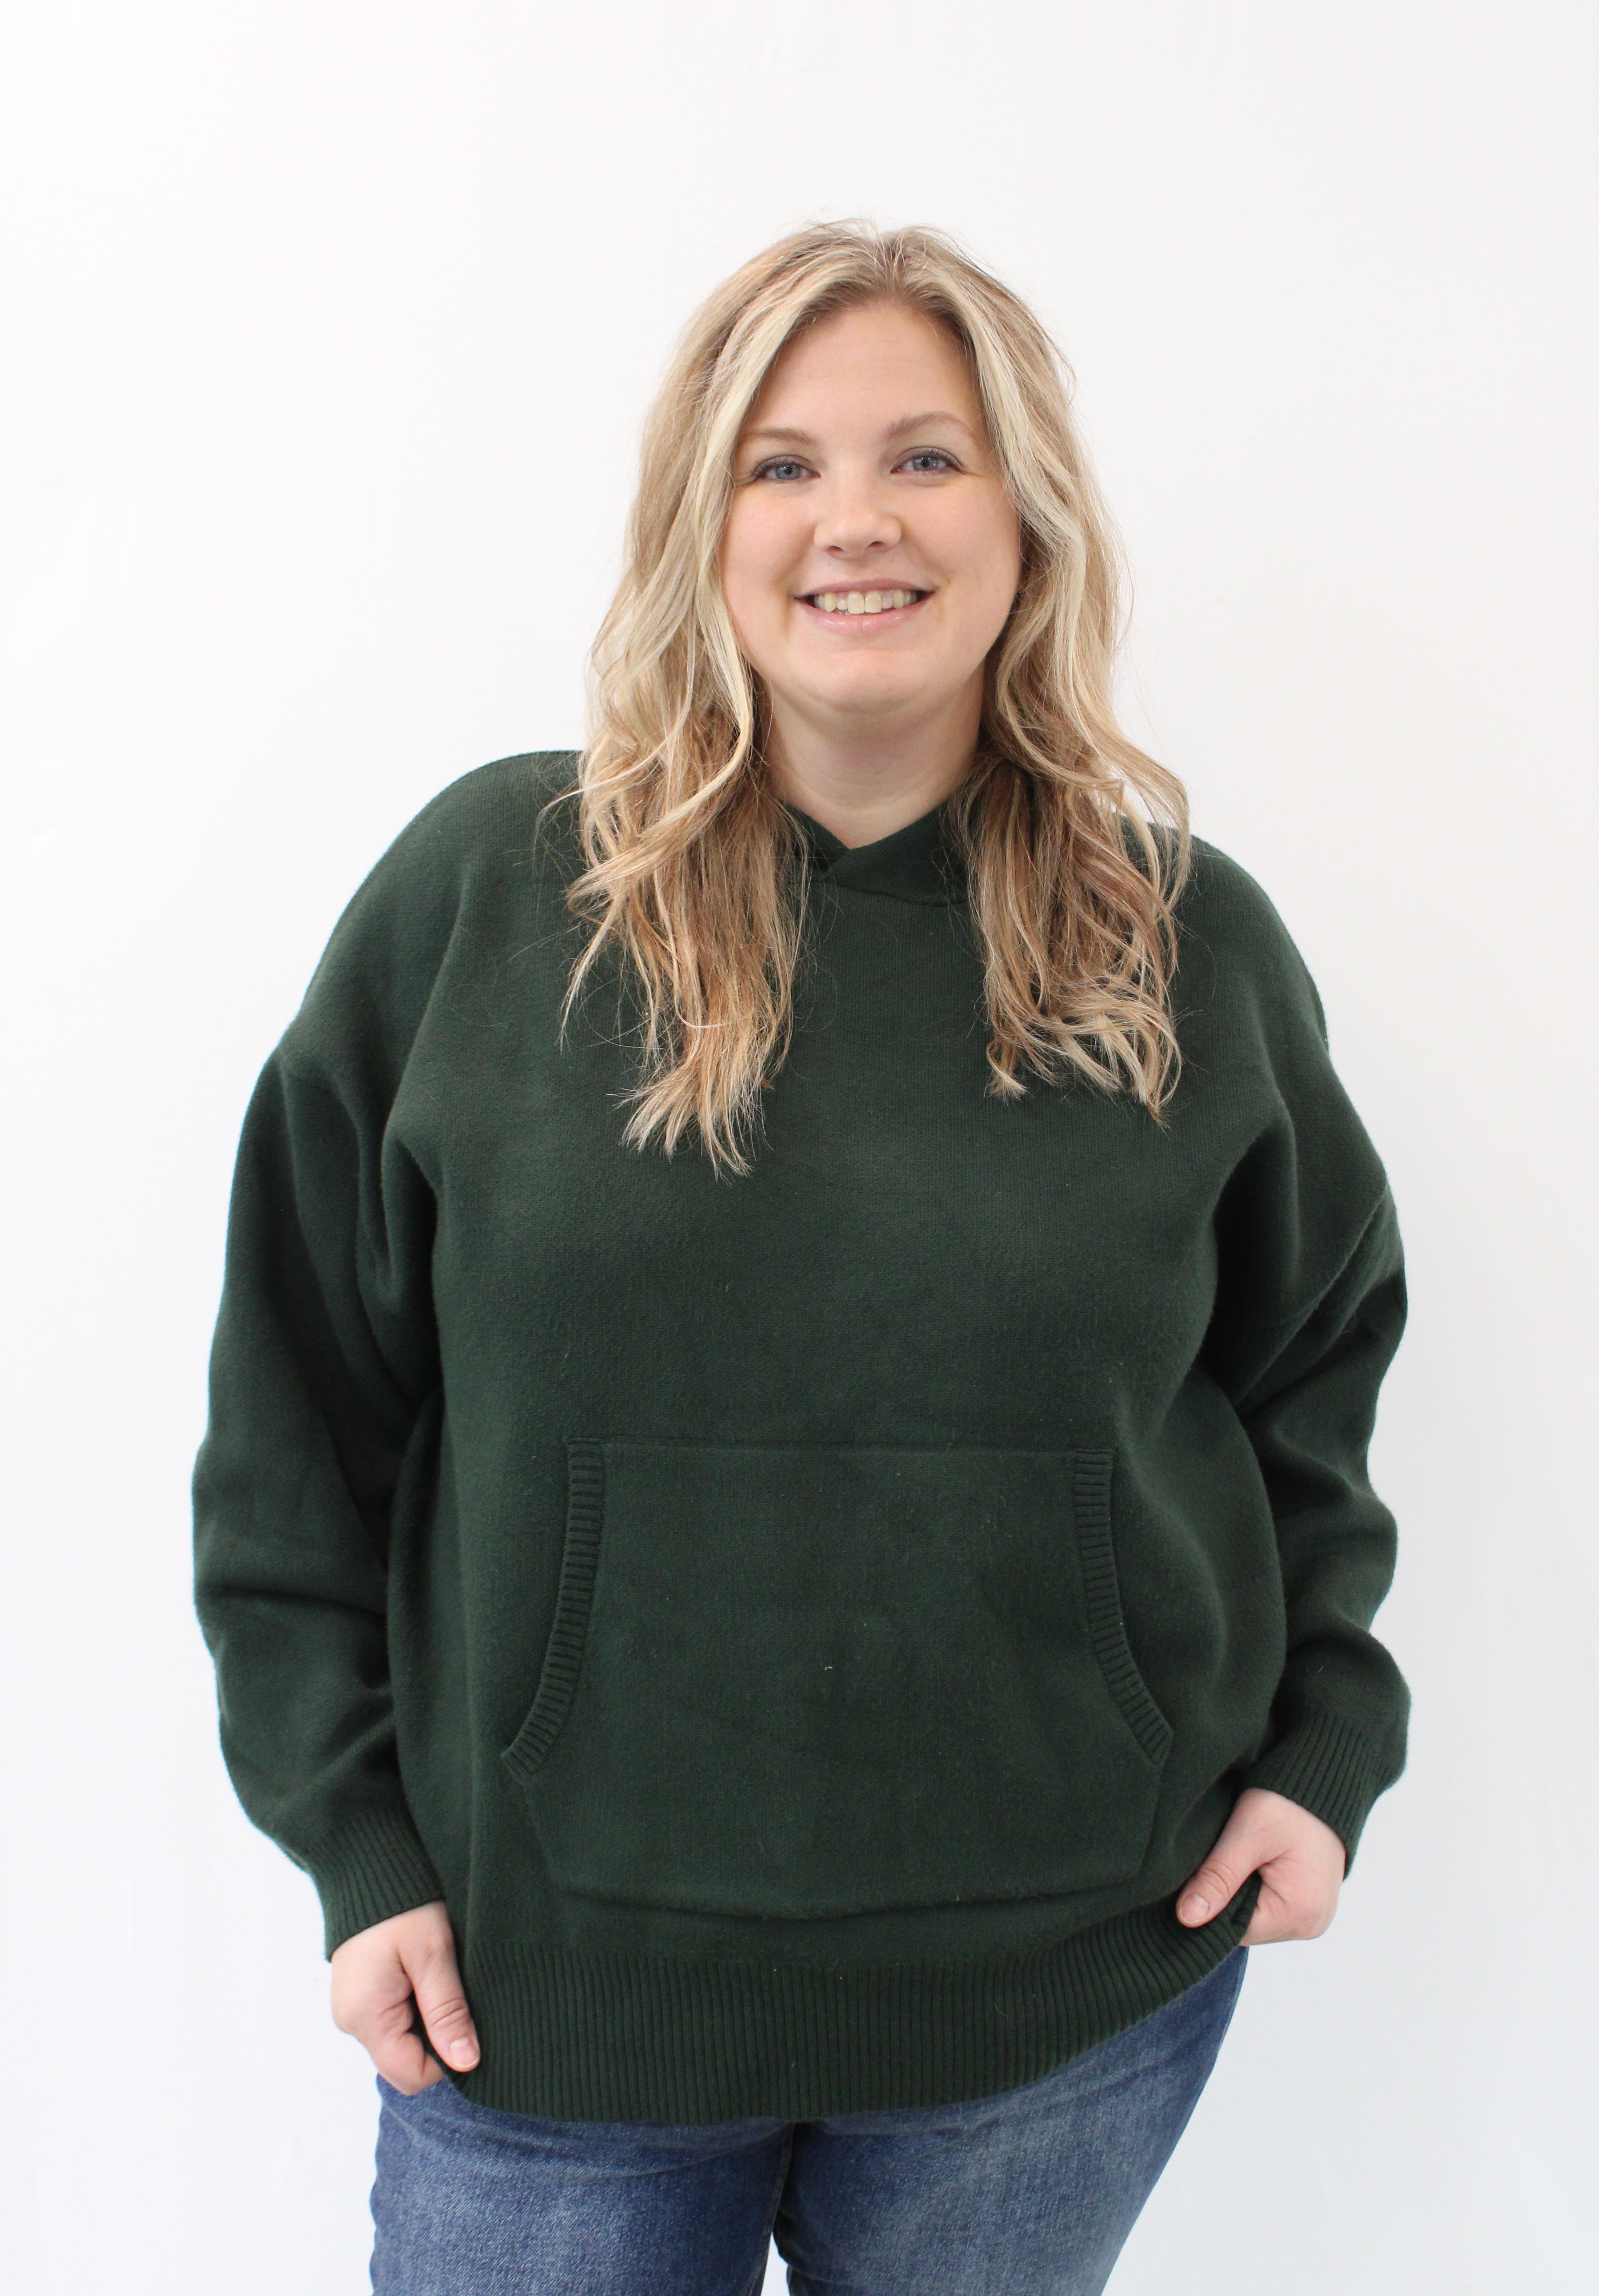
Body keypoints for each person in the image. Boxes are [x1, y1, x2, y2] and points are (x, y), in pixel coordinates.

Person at [193, 221, 1410, 2296]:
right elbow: (298, 1409)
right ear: (704, 520)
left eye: (926, 456)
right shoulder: (489, 900)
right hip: (548, 2001)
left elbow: (1309, 1366)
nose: (857, 519)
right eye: (784, 463)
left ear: (1026, 518)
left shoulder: (1181, 945)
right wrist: (353, 1834)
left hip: (1053, 2002)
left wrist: (1322, 1742)